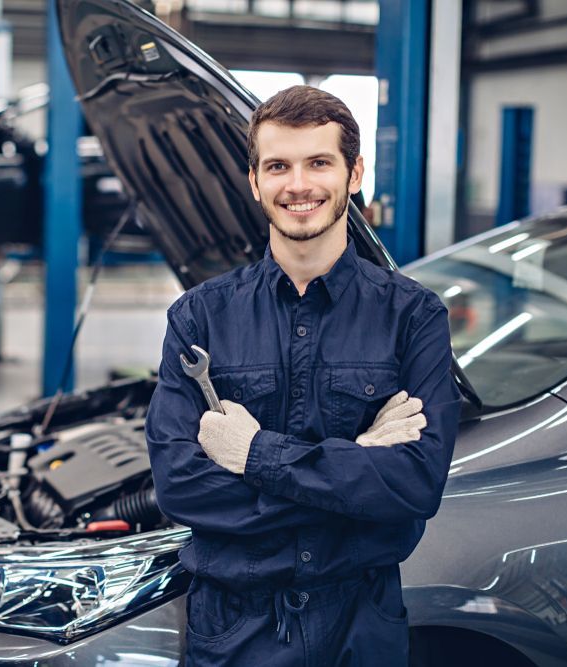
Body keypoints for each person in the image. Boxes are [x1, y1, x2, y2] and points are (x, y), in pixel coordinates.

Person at [145, 86, 461, 666]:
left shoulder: (413, 317)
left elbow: (417, 484)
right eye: (278, 166)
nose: (298, 185)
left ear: (355, 172)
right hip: (233, 629)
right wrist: (358, 458)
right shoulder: (199, 318)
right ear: (254, 180)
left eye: (319, 162)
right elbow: (181, 487)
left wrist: (255, 455)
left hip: (360, 626)